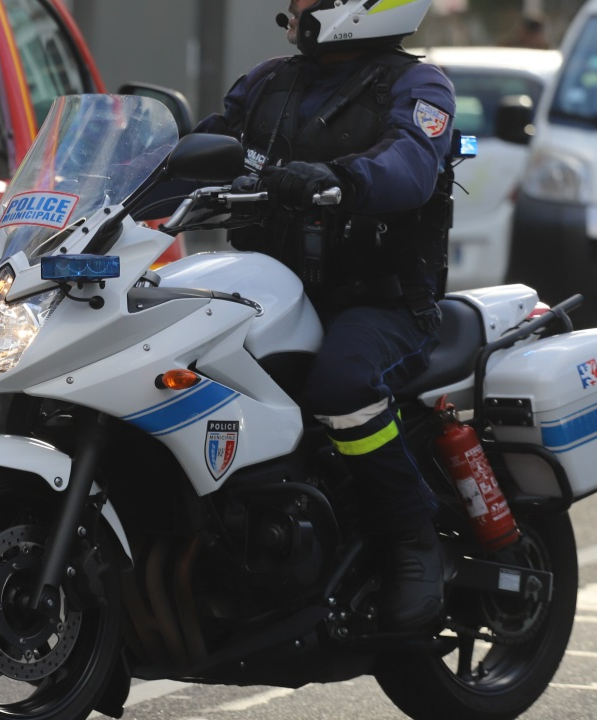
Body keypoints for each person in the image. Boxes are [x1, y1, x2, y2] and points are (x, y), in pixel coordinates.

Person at [195, 0, 456, 631]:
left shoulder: (417, 85)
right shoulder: (265, 83)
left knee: (342, 382)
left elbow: (410, 165)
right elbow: (202, 148)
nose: (292, 4)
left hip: (380, 303)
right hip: (271, 293)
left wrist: (339, 178)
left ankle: (412, 542)